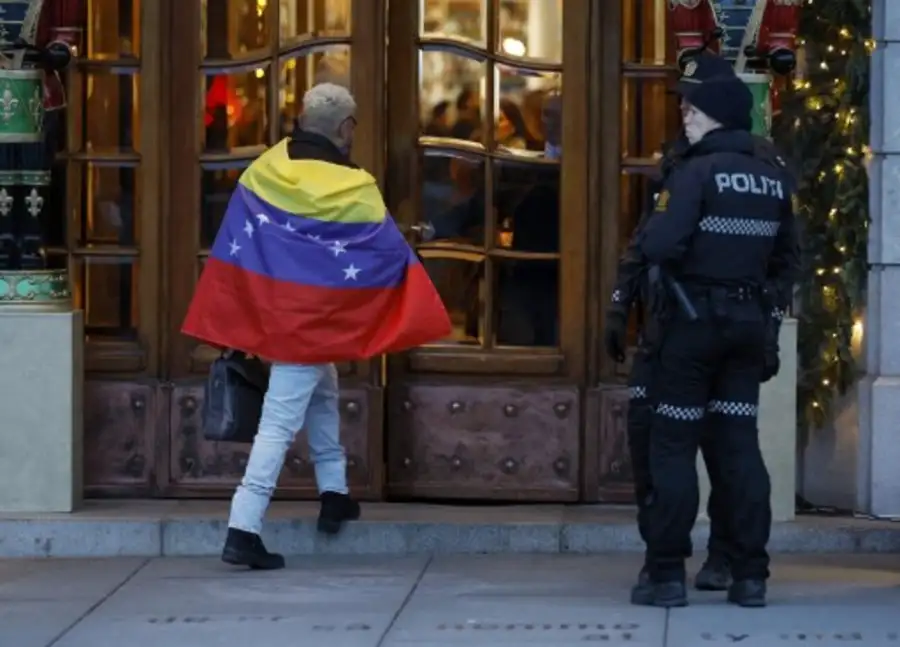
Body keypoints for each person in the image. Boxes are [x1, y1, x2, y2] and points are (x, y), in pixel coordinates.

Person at [182, 83, 451, 570]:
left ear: (302, 118)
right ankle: (243, 528)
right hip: (315, 322)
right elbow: (385, 251)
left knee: (324, 391)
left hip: (280, 315)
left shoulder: (264, 171)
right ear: (346, 128)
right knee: (277, 425)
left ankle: (334, 493)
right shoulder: (354, 187)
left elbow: (240, 243)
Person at [632, 53, 799, 608]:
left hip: (693, 325)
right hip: (748, 325)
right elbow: (787, 258)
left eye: (693, 107)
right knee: (738, 447)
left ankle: (666, 575)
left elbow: (658, 245)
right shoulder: (772, 173)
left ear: (716, 115)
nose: (684, 114)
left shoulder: (696, 170)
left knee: (672, 444)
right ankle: (750, 575)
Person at [603, 134, 736, 598]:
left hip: (704, 336)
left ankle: (724, 554)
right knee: (648, 445)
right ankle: (661, 553)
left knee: (723, 452)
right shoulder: (669, 189)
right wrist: (619, 308)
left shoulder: (725, 191)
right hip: (660, 337)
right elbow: (639, 251)